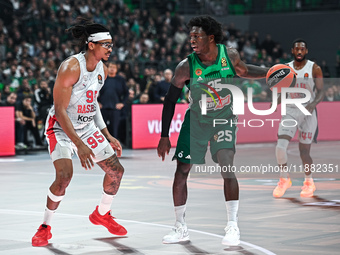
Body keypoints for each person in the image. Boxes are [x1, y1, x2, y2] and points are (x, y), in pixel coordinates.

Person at [157, 16, 269, 246]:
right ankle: (180, 227)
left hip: (223, 119)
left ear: (210, 38)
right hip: (196, 120)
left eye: (196, 36)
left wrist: (271, 71)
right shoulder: (185, 66)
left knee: (227, 164)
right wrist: (164, 135)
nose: (192, 40)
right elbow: (170, 101)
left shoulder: (230, 55)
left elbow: (245, 71)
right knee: (182, 170)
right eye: (190, 37)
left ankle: (233, 226)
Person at [32, 21, 127, 247]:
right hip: (62, 127)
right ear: (91, 45)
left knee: (116, 171)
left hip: (86, 127)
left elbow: (92, 104)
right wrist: (78, 144)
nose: (110, 49)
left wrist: (107, 134)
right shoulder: (72, 67)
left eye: (111, 44)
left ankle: (102, 214)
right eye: (106, 44)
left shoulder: (102, 70)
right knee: (64, 176)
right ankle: (45, 227)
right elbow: (61, 109)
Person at [273, 38, 324, 198]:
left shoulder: (314, 68)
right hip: (290, 110)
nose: (300, 52)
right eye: (297, 49)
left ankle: (309, 182)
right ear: (293, 51)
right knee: (280, 146)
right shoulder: (285, 69)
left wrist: (313, 103)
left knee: (304, 152)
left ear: (306, 51)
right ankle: (284, 179)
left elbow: (321, 91)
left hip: (308, 111)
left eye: (302, 49)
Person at [97, 62, 128, 141]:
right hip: (103, 107)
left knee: (114, 129)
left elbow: (126, 93)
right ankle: (102, 147)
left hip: (115, 108)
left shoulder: (120, 80)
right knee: (102, 128)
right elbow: (95, 91)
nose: (112, 69)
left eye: (114, 67)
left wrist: (122, 103)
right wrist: (97, 102)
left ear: (116, 69)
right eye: (110, 67)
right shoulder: (102, 78)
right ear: (107, 68)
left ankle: (113, 147)